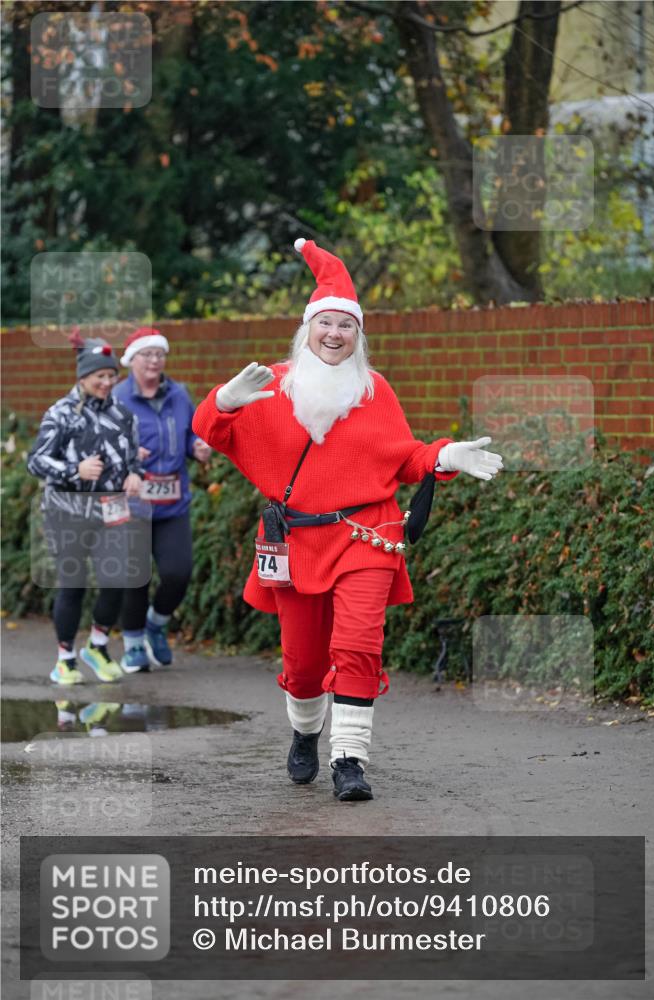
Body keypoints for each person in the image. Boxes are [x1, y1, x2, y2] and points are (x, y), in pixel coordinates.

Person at [192, 239, 503, 802]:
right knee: (304, 661)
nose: (334, 334)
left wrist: (444, 455)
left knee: (359, 644)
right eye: (325, 323)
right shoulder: (273, 385)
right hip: (295, 540)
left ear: (358, 335)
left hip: (367, 534)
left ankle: (349, 760)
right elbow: (209, 431)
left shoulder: (373, 389)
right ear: (307, 329)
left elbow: (402, 457)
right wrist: (225, 401)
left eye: (346, 326)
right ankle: (306, 733)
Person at [27, 333, 143, 684]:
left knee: (118, 578)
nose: (108, 383)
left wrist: (135, 475)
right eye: (100, 377)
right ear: (83, 377)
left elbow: (132, 455)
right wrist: (73, 470)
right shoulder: (60, 414)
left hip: (112, 509)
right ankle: (65, 658)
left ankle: (98, 645)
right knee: (72, 584)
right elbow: (36, 461)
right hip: (69, 510)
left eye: (112, 376)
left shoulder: (123, 414)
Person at [113, 327, 212, 672]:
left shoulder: (179, 395)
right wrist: (123, 456)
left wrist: (198, 448)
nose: (155, 361)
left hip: (173, 502)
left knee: (178, 573)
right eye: (147, 354)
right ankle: (133, 645)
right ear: (131, 361)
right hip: (130, 504)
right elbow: (97, 444)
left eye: (160, 354)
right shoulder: (115, 398)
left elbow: (191, 435)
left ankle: (157, 623)